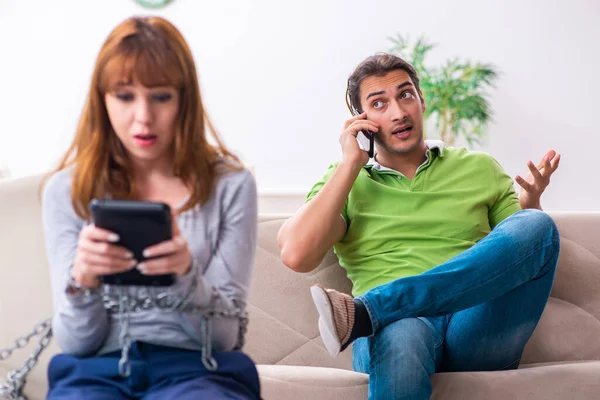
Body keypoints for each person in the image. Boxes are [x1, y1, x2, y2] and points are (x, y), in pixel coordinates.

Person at [277, 53, 561, 400]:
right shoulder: (345, 183)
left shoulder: (479, 167)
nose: (398, 112)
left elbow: (521, 253)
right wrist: (351, 162)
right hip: (396, 332)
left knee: (537, 224)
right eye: (379, 103)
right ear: (361, 121)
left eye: (406, 94)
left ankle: (372, 309)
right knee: (401, 330)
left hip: (475, 329)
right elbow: (296, 254)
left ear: (421, 100)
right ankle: (386, 313)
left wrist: (529, 202)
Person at [41, 16, 261, 399]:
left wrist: (185, 276)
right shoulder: (65, 191)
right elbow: (76, 343)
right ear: (102, 99)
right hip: (96, 372)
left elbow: (225, 339)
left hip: (198, 371)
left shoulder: (231, 185)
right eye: (125, 97)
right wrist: (83, 280)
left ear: (184, 100)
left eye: (160, 96)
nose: (143, 117)